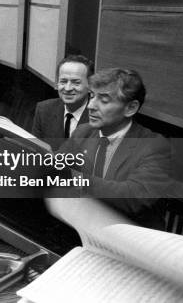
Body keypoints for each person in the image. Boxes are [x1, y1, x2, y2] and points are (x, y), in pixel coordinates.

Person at [59, 68, 171, 229]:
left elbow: (131, 197)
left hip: (129, 240)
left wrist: (70, 177)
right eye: (92, 96)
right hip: (84, 228)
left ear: (131, 108)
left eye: (103, 100)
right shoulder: (84, 132)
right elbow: (55, 164)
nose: (90, 105)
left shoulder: (155, 146)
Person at [32, 54, 93, 150]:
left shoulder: (99, 116)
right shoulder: (44, 110)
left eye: (76, 82)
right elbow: (35, 152)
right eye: (63, 81)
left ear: (90, 86)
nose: (67, 88)